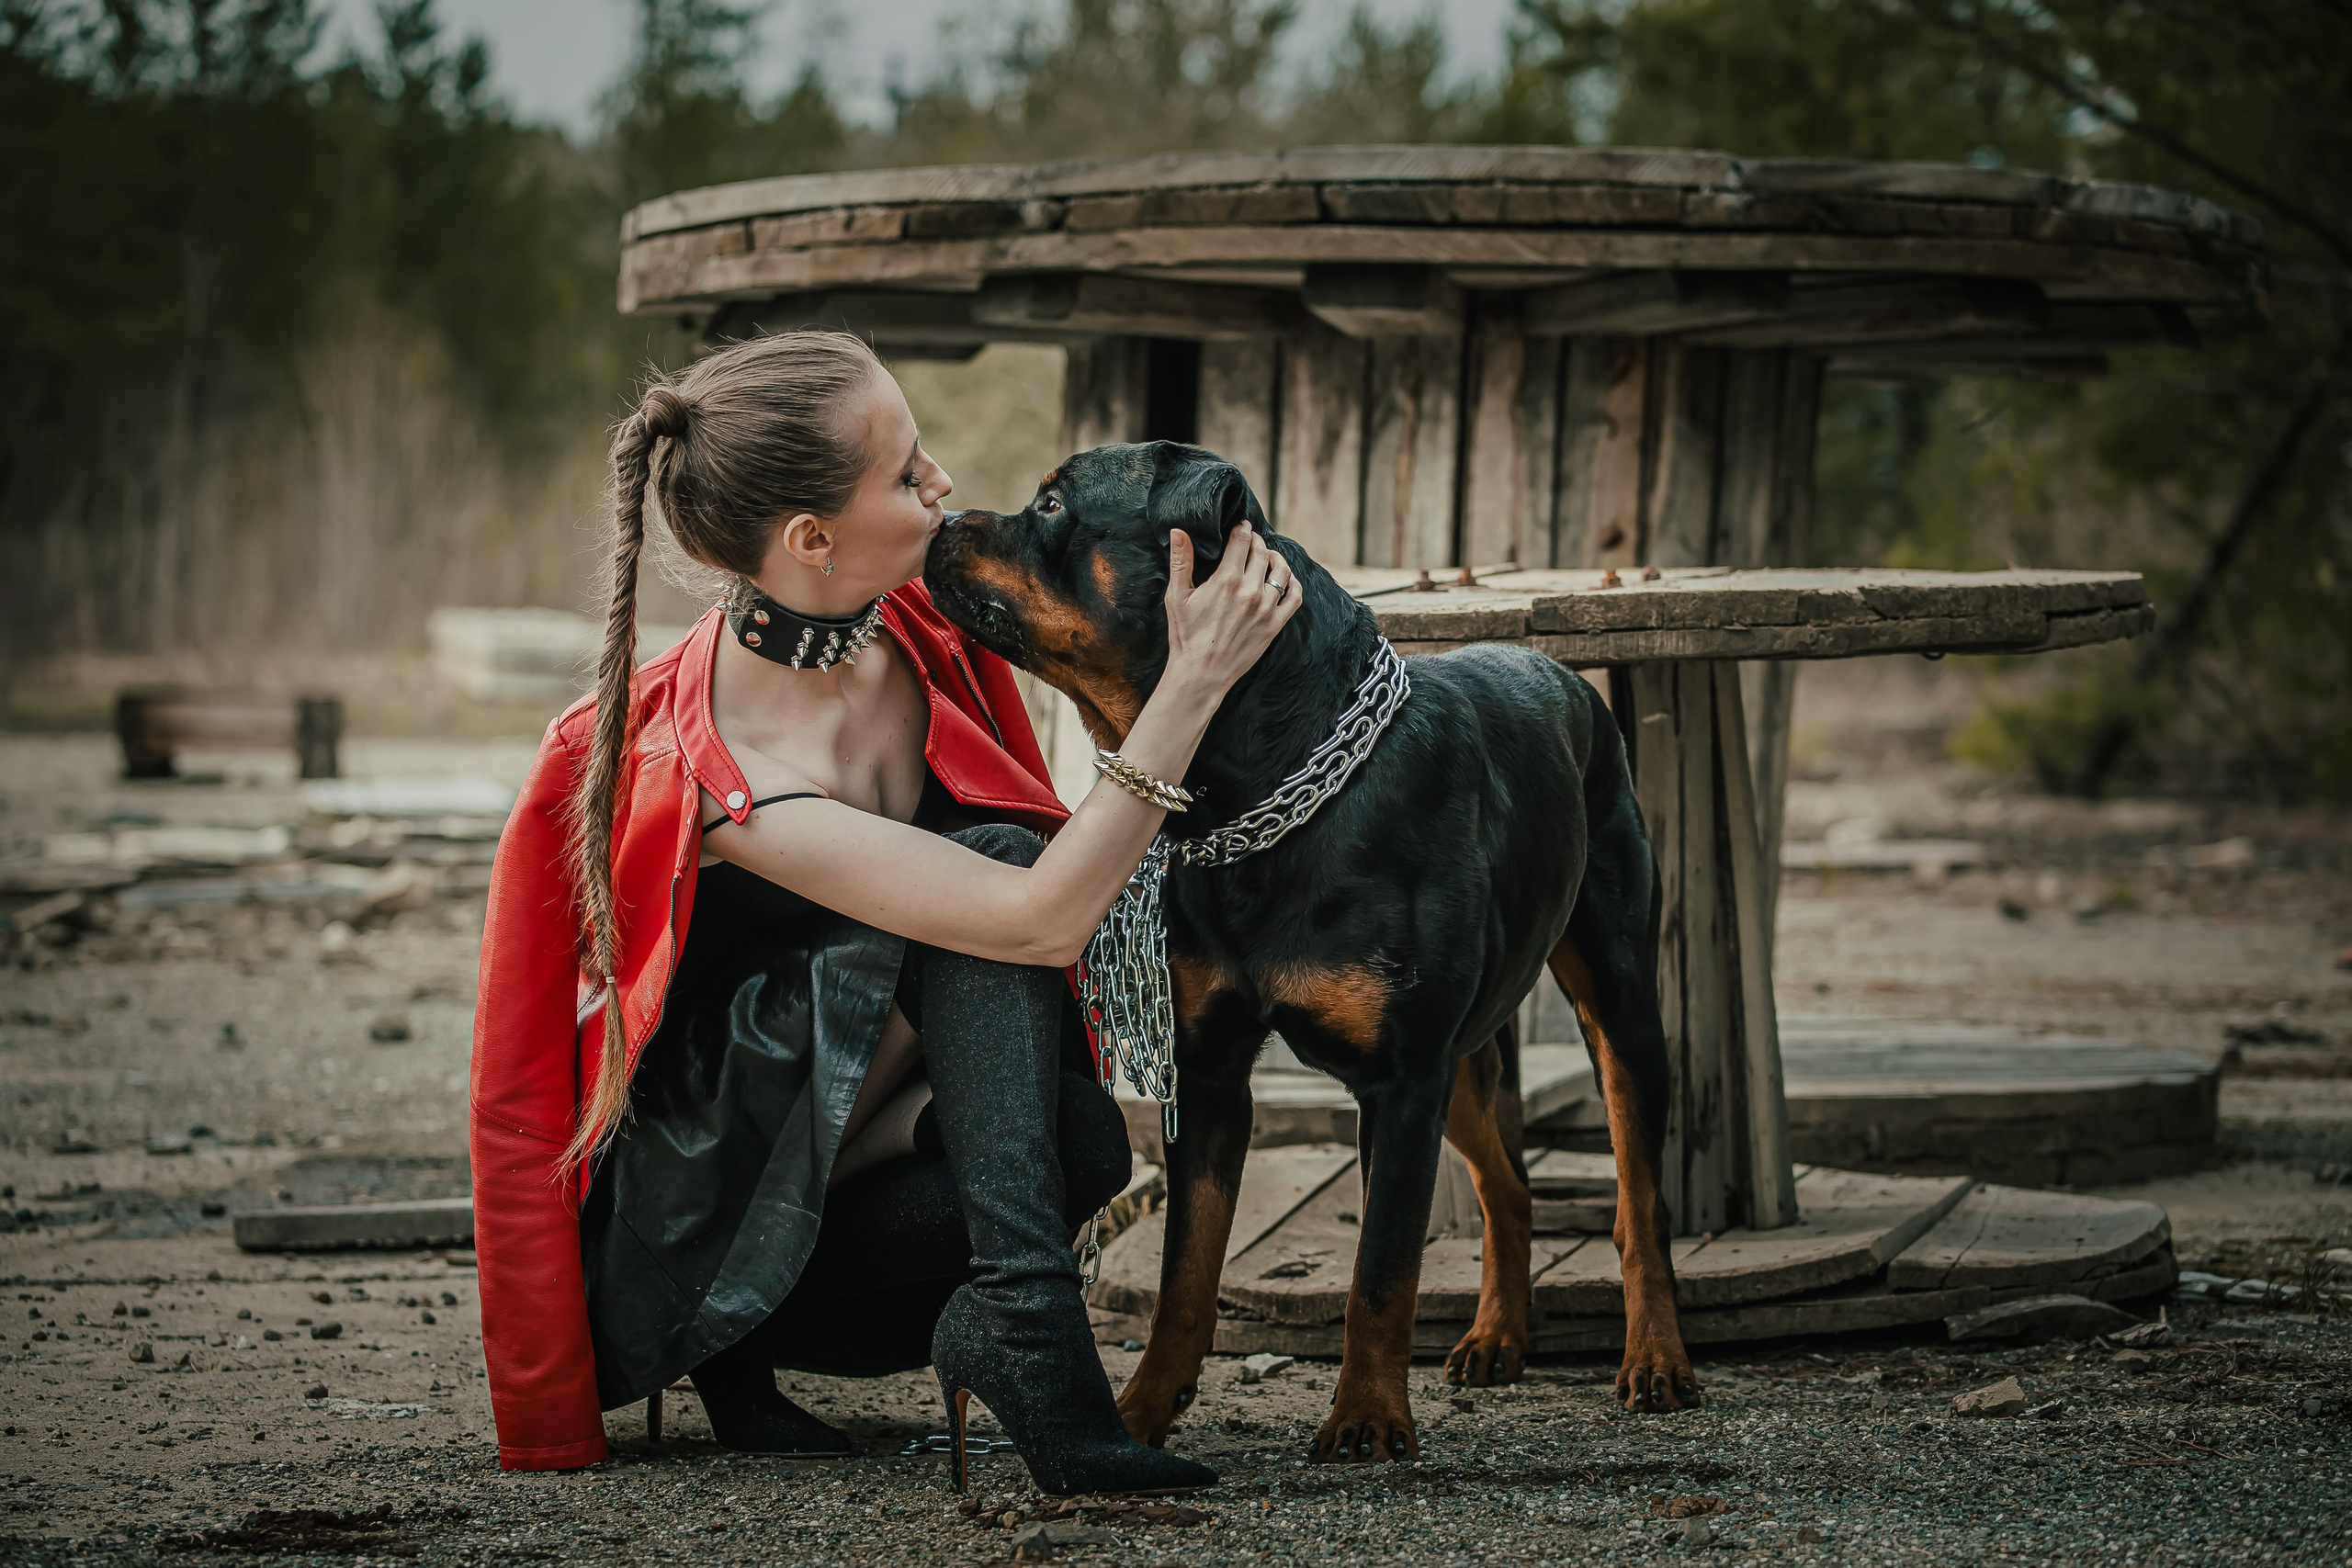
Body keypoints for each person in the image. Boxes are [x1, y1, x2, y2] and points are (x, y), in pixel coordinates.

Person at [468, 330, 1298, 1493]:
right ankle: (1025, 1333)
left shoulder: (919, 633)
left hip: (864, 1147)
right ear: (811, 540)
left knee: (1086, 1143)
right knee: (1001, 867)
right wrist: (1191, 687)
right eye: (908, 473)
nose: (944, 484)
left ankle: (1010, 1321)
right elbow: (1040, 919)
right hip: (724, 1240)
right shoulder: (718, 773)